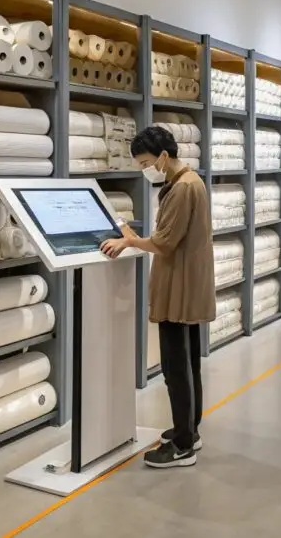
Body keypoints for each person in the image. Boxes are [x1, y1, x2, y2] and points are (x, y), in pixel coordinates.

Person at [100, 126, 215, 469]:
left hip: (179, 288)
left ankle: (182, 446)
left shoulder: (182, 188)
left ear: (164, 156)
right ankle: (188, 430)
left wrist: (130, 240)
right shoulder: (188, 182)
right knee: (188, 360)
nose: (145, 169)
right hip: (186, 283)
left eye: (147, 162)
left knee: (175, 366)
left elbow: (165, 243)